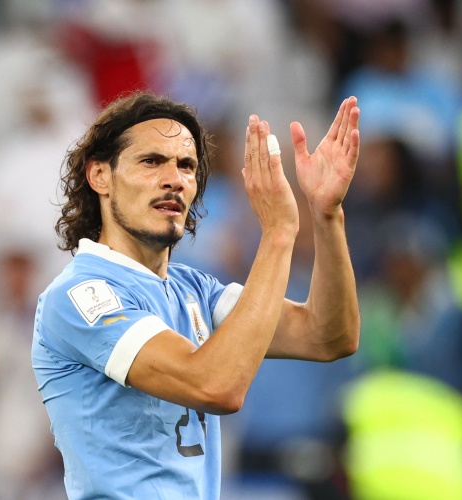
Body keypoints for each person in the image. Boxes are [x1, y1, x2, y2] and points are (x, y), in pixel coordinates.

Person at [32, 90, 361, 499]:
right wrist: (278, 233)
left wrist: (327, 214)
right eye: (151, 161)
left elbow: (328, 336)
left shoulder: (196, 289)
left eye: (186, 166)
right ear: (100, 175)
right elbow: (215, 386)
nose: (175, 179)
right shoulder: (80, 296)